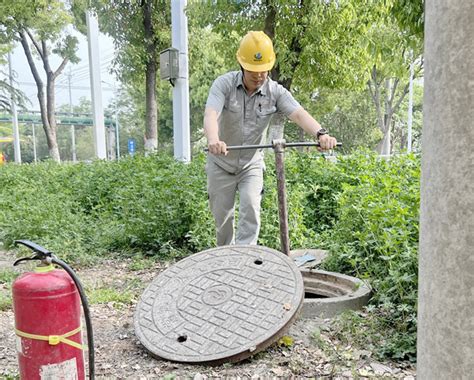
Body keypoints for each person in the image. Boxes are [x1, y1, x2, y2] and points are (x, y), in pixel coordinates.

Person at [204, 31, 337, 246]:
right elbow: (211, 114)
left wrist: (321, 134)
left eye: (263, 71)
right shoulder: (224, 85)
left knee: (251, 209)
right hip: (220, 164)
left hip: (251, 165)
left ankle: (246, 262)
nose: (258, 76)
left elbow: (298, 114)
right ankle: (226, 262)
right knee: (222, 221)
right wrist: (213, 139)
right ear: (242, 65)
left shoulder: (275, 92)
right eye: (253, 71)